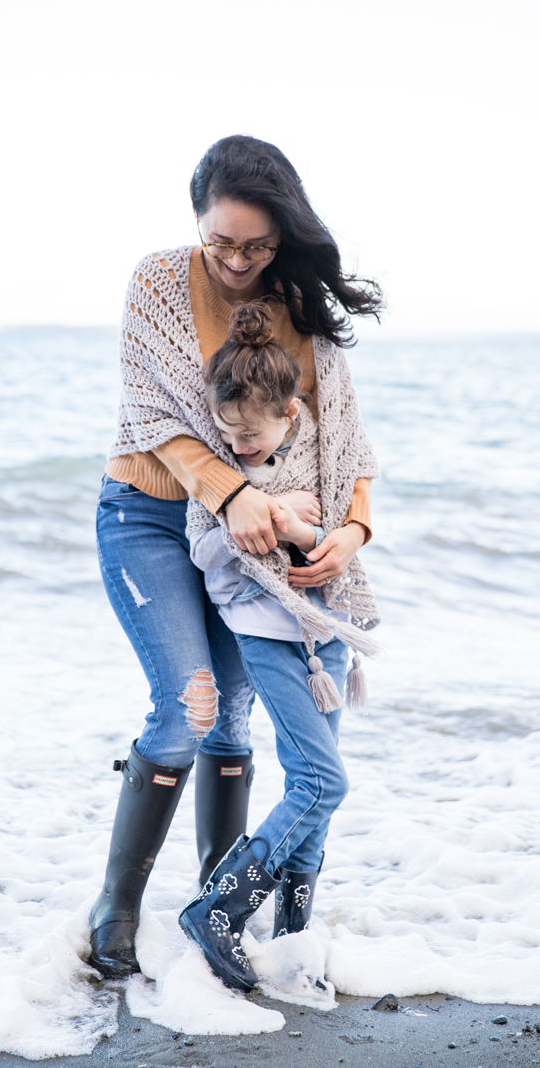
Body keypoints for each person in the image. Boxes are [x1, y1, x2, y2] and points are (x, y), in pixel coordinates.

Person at [89, 134, 383, 979]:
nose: (237, 260)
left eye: (257, 245)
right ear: (197, 221)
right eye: (222, 241)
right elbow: (161, 425)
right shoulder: (156, 282)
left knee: (233, 719)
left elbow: (346, 447)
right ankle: (119, 901)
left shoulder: (298, 307)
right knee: (188, 705)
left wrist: (350, 533)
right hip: (150, 513)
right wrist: (237, 496)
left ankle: (221, 898)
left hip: (258, 540)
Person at [178, 301, 380, 992]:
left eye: (251, 434)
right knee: (325, 780)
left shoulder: (321, 446)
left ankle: (295, 943)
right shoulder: (220, 477)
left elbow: (345, 514)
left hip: (325, 637)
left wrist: (321, 535)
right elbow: (205, 548)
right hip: (266, 636)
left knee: (313, 791)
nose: (238, 446)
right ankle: (219, 908)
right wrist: (279, 520)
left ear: (291, 412)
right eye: (227, 432)